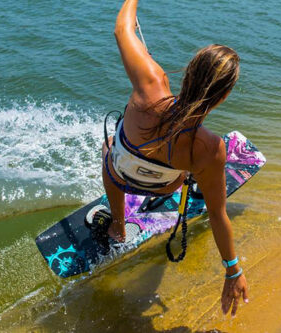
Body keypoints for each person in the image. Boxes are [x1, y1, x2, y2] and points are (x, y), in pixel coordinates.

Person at [100, 0, 249, 316]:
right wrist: (233, 270)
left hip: (119, 172)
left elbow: (121, 29)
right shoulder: (210, 148)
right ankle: (182, 186)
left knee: (111, 144)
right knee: (191, 177)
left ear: (190, 70)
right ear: (223, 97)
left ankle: (118, 228)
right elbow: (218, 214)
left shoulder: (150, 82)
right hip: (164, 187)